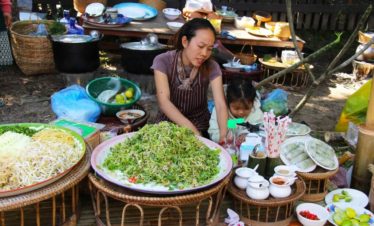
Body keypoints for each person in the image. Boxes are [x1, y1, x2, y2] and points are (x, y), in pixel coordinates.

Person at [151, 18, 228, 141]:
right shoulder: (163, 61)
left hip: (200, 125)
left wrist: (224, 135)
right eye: (201, 46)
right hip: (167, 125)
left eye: (209, 49)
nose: (204, 53)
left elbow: (220, 104)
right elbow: (164, 102)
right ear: (185, 41)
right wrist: (194, 133)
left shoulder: (212, 66)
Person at [208, 78, 264, 143]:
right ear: (228, 102)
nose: (241, 112)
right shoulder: (219, 111)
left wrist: (247, 136)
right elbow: (213, 132)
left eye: (246, 108)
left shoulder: (256, 113)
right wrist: (226, 137)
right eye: (236, 108)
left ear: (253, 103)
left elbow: (261, 131)